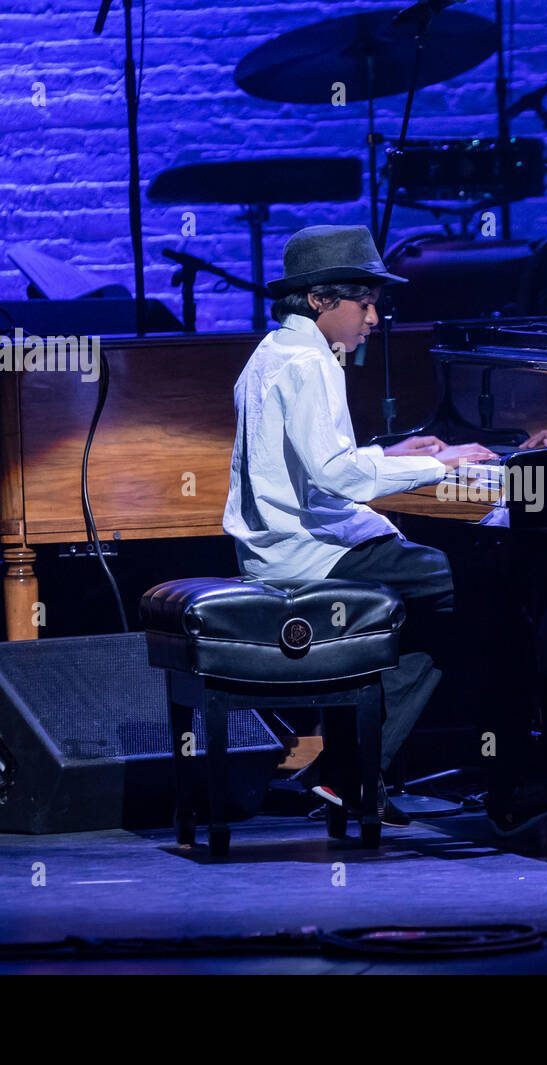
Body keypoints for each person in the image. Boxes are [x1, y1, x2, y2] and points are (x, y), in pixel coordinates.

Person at [222, 224, 494, 823]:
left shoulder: (272, 352)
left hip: (284, 547)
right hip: (310, 553)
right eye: (364, 303)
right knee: (490, 580)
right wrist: (439, 463)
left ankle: (346, 775)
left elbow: (314, 462)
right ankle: (525, 764)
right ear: (320, 299)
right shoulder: (311, 364)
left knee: (438, 622)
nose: (373, 318)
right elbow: (338, 479)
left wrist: (389, 458)